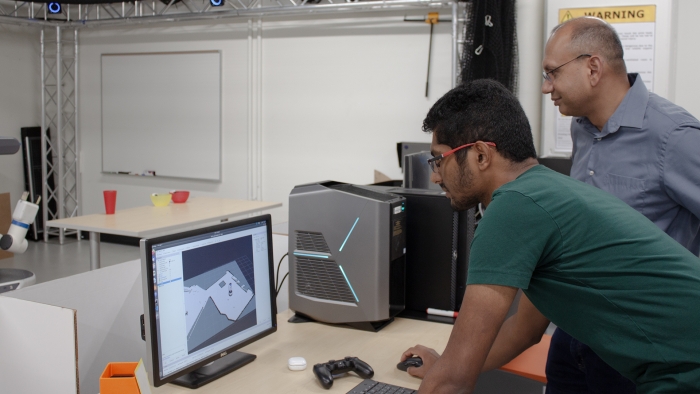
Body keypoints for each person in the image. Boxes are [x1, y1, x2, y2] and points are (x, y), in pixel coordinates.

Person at [399, 79, 700, 394]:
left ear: (480, 155)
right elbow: (523, 330)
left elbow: (453, 384)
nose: (435, 175)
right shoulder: (545, 193)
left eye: (439, 159)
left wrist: (449, 372)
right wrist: (446, 363)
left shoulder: (514, 209)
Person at [541, 16, 700, 393]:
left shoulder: (674, 136)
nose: (546, 87)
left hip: (642, 344)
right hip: (576, 332)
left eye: (552, 73)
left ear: (592, 67)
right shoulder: (582, 130)